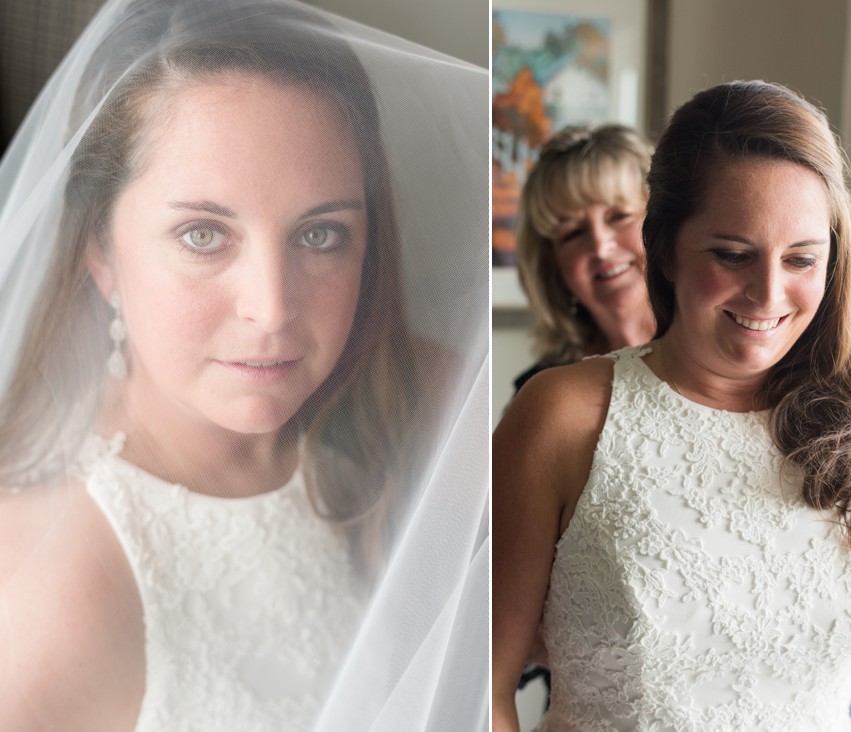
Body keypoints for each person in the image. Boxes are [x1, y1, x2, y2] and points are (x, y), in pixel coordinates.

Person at [0, 1, 488, 730]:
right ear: (101, 250)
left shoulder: (405, 424)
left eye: (320, 234)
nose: (272, 307)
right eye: (204, 234)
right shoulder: (48, 588)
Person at [493, 80, 851, 731]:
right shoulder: (563, 416)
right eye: (733, 254)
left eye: (801, 259)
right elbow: (483, 683)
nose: (768, 294)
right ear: (663, 246)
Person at [513, 124, 656, 391]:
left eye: (620, 216)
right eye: (573, 233)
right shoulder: (536, 394)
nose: (600, 248)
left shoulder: (730, 360)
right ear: (552, 264)